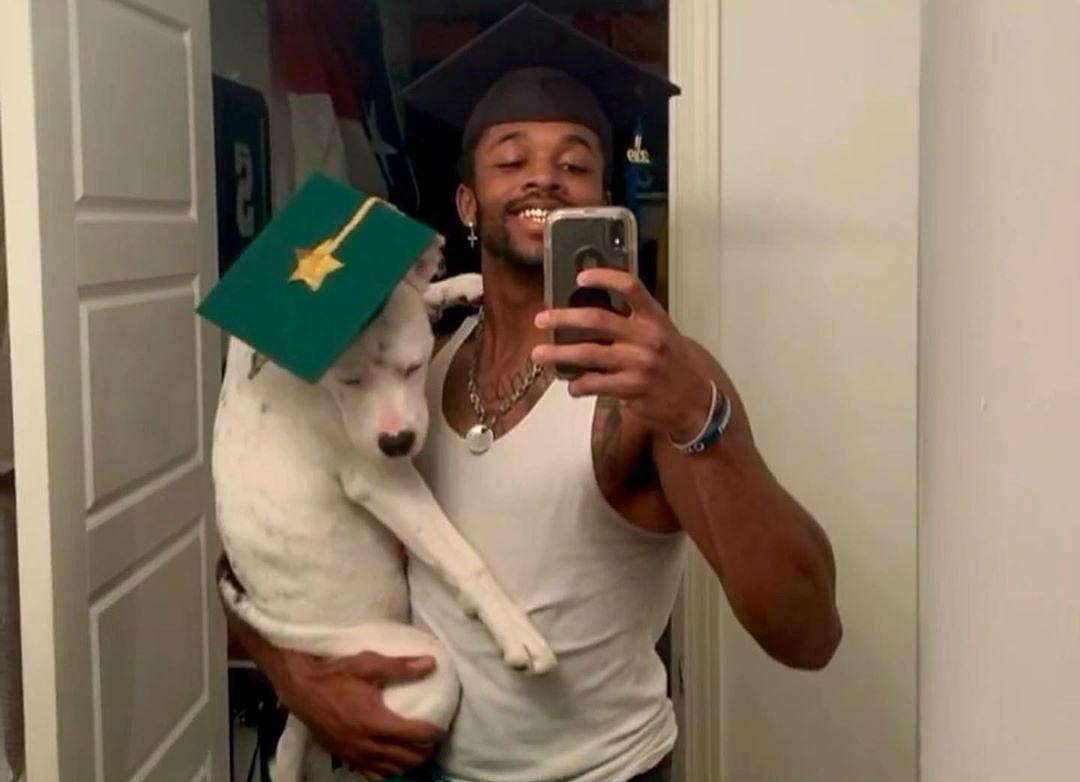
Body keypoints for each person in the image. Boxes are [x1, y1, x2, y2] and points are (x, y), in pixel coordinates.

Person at [228, 5, 842, 781]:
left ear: (602, 199)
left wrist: (702, 417)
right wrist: (297, 683)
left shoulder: (649, 389)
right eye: (510, 158)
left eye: (575, 161)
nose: (542, 175)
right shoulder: (416, 369)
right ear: (466, 206)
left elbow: (808, 633)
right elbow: (266, 548)